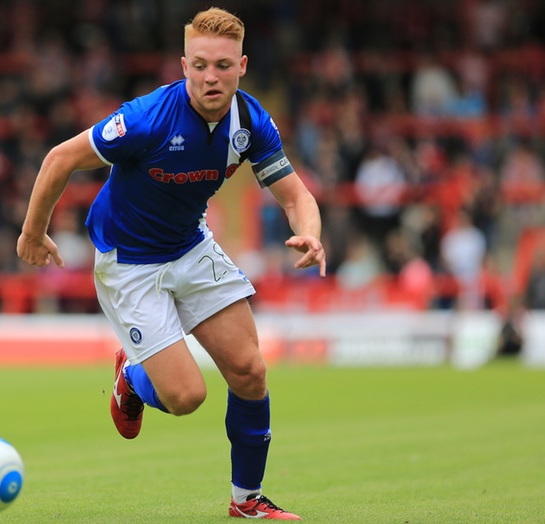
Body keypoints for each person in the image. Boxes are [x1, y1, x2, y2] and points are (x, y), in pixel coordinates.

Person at [17, 7, 325, 520]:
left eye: (223, 66)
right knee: (185, 397)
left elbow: (295, 195)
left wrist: (309, 233)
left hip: (189, 246)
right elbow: (59, 158)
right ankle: (130, 379)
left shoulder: (250, 121)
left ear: (242, 65)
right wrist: (32, 231)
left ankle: (247, 502)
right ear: (184, 66)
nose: (211, 77)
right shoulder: (146, 118)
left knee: (250, 370)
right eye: (200, 65)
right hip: (130, 263)